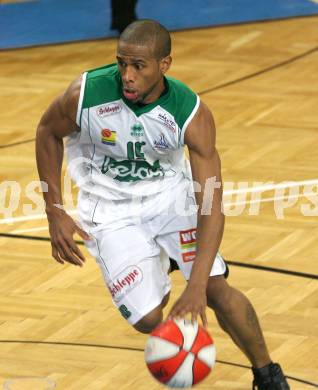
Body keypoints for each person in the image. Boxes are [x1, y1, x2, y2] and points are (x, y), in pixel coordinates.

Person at [36, 19, 290, 390]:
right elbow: (46, 132)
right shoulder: (85, 94)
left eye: (139, 66)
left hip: (170, 201)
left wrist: (198, 285)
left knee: (215, 288)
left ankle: (269, 375)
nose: (127, 76)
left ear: (164, 65)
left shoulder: (190, 113)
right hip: (108, 209)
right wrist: (54, 210)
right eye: (122, 63)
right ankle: (163, 262)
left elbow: (211, 204)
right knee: (148, 318)